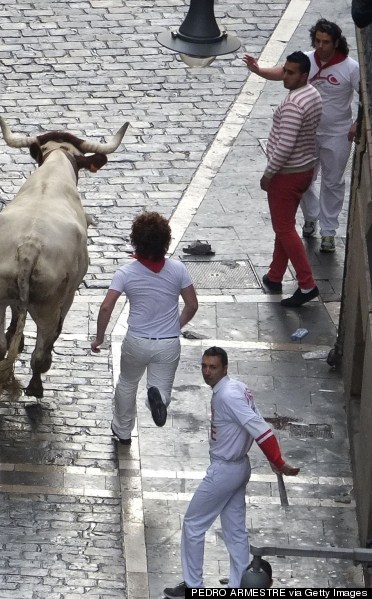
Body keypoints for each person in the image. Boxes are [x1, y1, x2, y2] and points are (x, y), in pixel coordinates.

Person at [163, 347, 300, 597]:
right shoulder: (237, 387)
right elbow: (257, 421)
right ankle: (240, 585)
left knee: (193, 524)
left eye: (213, 367)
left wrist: (277, 461)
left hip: (225, 470)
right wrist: (272, 459)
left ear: (225, 368)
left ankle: (193, 586)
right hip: (239, 467)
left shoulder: (227, 395)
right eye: (204, 366)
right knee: (235, 530)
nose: (207, 372)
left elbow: (260, 429)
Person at [244, 19, 360, 253]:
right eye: (317, 41)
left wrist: (358, 122)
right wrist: (259, 70)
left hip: (337, 133)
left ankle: (328, 231)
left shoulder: (350, 68)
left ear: (336, 43)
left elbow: (365, 95)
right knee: (305, 178)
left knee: (333, 181)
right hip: (308, 133)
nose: (320, 46)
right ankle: (311, 217)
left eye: (325, 42)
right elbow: (284, 72)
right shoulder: (308, 60)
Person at [91, 212, 198, 445]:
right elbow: (192, 305)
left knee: (128, 382)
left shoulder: (126, 273)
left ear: (136, 241)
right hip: (168, 343)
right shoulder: (178, 270)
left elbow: (106, 307)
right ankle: (156, 400)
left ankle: (122, 431)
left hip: (137, 341)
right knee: (161, 388)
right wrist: (176, 325)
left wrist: (99, 338)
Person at [251, 51, 323, 308]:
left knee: (284, 228)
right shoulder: (312, 93)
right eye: (285, 70)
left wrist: (268, 173)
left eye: (291, 73)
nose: (285, 76)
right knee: (285, 224)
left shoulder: (294, 104)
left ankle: (306, 283)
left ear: (304, 75)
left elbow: (285, 145)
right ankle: (275, 275)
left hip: (287, 174)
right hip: (304, 169)